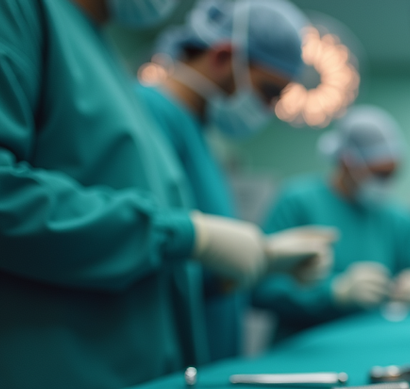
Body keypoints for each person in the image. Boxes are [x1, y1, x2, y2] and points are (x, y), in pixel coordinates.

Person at [0, 0, 320, 389]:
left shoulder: (104, 61)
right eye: (268, 91)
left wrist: (250, 259)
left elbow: (156, 258)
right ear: (223, 57)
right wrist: (186, 236)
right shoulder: (9, 13)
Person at [139, 0, 337, 362]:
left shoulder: (198, 135)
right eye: (268, 91)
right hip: (160, 365)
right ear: (222, 56)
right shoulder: (149, 115)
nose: (268, 109)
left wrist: (266, 260)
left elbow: (196, 264)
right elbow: (141, 252)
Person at [252, 106, 410, 343]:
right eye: (379, 174)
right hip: (302, 350)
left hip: (377, 345)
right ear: (346, 162)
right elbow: (262, 287)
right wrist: (334, 292)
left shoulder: (400, 219)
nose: (386, 184)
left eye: (393, 174)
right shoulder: (297, 203)